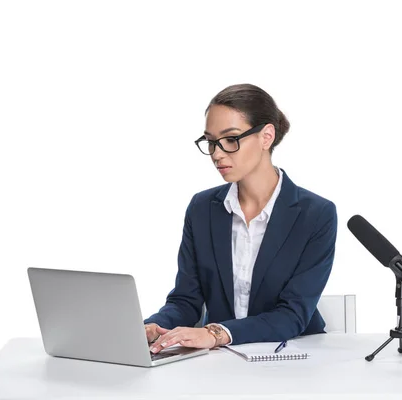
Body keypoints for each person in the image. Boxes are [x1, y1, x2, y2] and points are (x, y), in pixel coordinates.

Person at [145, 83, 338, 354]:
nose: (217, 153)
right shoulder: (202, 208)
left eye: (230, 139)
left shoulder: (316, 214)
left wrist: (216, 333)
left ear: (266, 136)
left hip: (292, 355)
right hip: (221, 360)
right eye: (211, 141)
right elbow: (185, 300)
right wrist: (154, 326)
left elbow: (292, 314)